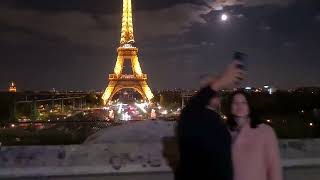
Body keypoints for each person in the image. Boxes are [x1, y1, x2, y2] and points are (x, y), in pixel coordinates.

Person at [176, 61, 245, 180]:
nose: (215, 90)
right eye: (210, 87)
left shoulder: (218, 121)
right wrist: (221, 81)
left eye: (216, 89)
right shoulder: (190, 116)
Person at [226, 91, 283, 180]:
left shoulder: (265, 131)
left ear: (250, 106)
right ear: (230, 106)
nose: (239, 106)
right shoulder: (226, 132)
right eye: (235, 103)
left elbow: (274, 166)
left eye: (244, 102)